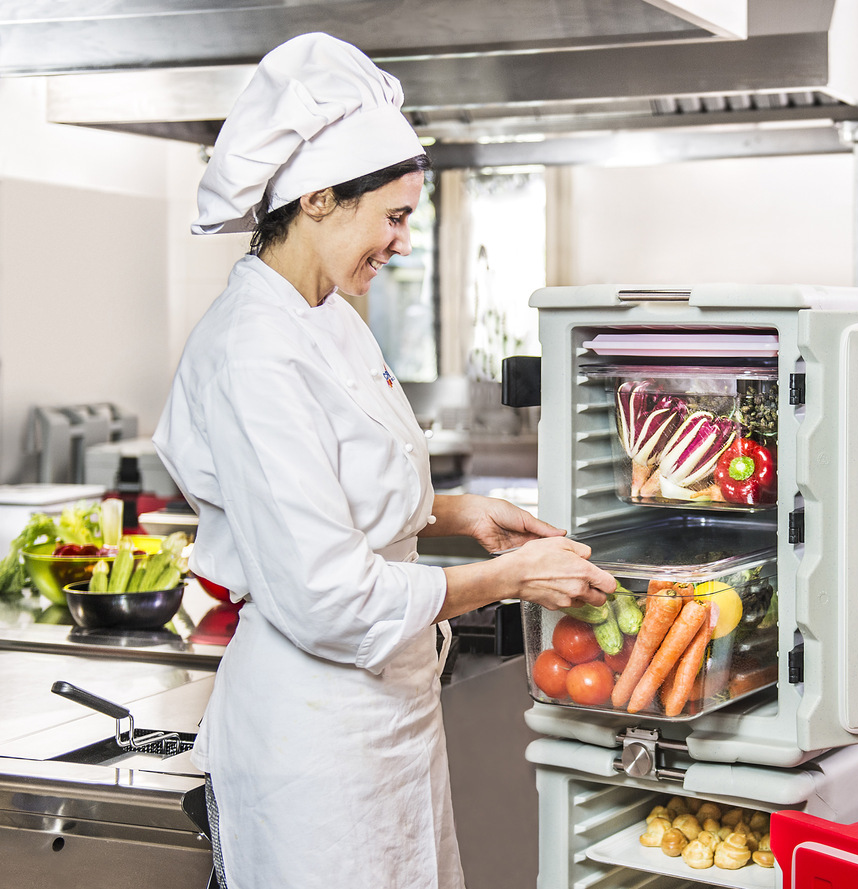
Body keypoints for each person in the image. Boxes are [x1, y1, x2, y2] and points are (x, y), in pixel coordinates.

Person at [153, 32, 615, 889]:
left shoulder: (323, 311)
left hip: (385, 717)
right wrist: (513, 578)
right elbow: (329, 595)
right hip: (313, 735)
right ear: (321, 196)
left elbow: (339, 486)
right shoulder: (254, 351)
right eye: (394, 216)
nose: (402, 242)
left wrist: (449, 512)